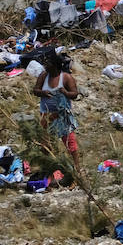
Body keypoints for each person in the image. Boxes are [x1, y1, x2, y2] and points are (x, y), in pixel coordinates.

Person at [34, 50, 81, 180]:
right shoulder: (44, 76)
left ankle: (77, 170)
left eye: (47, 63)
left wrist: (65, 92)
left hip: (62, 115)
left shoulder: (65, 77)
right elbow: (35, 90)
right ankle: (51, 170)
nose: (45, 66)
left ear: (54, 64)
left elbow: (75, 94)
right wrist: (43, 93)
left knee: (70, 144)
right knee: (45, 145)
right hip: (46, 115)